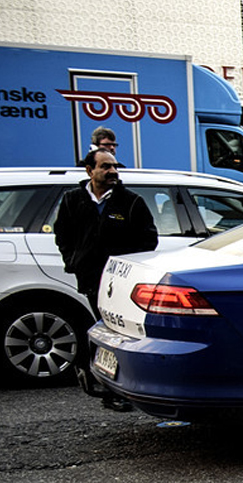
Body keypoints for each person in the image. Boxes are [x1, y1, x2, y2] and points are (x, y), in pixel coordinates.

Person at [53, 148, 159, 410]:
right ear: (90, 171)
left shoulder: (130, 201)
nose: (112, 171)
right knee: (104, 332)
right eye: (105, 167)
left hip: (120, 283)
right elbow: (62, 235)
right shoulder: (72, 200)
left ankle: (118, 390)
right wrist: (73, 261)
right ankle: (109, 386)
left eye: (114, 167)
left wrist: (128, 269)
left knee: (119, 335)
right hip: (91, 278)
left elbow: (149, 240)